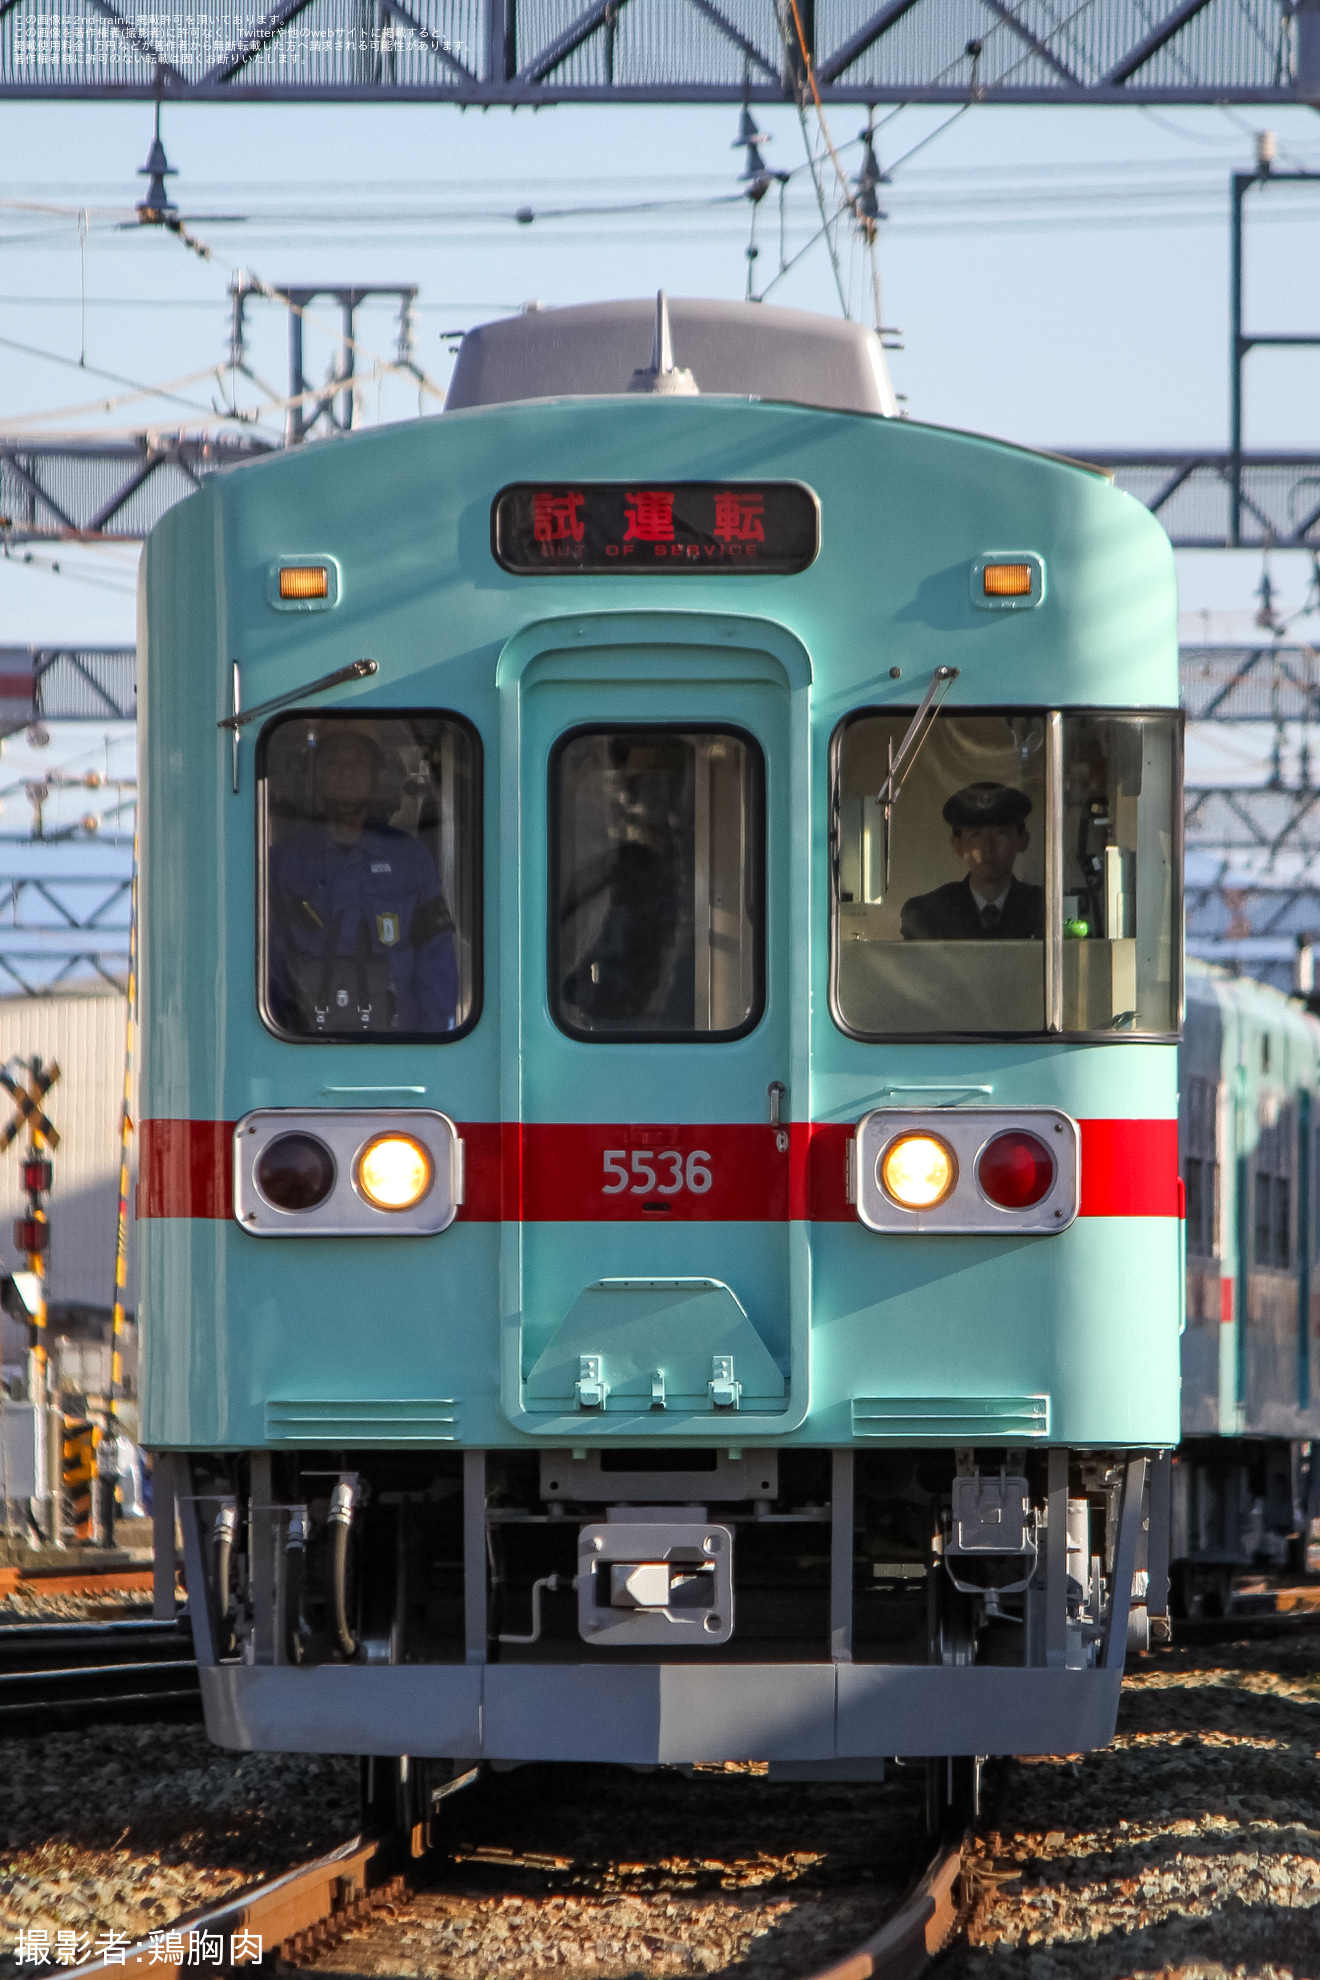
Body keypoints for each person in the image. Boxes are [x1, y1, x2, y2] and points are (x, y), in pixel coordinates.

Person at [268, 726, 460, 1034]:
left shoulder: (410, 860)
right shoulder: (282, 864)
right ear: (315, 775)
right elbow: (268, 969)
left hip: (396, 1051)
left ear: (375, 775)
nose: (346, 771)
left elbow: (436, 963)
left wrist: (432, 1050)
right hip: (301, 1052)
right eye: (334, 762)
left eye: (357, 762)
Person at [900, 782, 1045, 941]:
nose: (988, 846)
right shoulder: (928, 913)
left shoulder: (1045, 908)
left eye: (1000, 833)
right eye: (976, 834)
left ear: (1022, 840)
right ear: (958, 845)